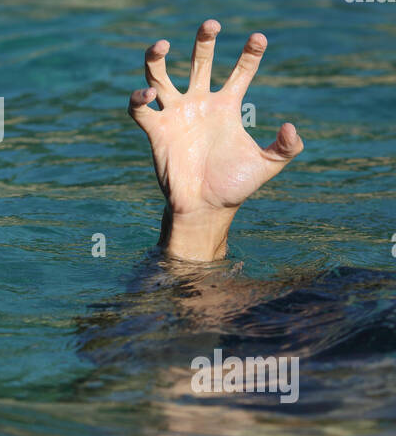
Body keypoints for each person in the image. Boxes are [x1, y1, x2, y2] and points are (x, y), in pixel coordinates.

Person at [127, 19, 304, 261]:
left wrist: (202, 215)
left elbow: (179, 291)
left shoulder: (338, 289)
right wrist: (198, 216)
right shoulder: (338, 290)